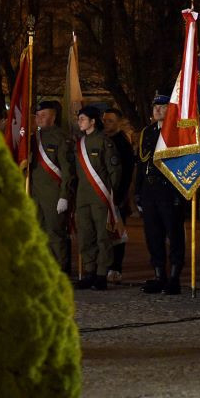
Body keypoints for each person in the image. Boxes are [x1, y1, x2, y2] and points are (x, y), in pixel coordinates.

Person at [136, 94, 186, 295]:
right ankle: (159, 275)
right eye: (155, 106)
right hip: (150, 190)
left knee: (174, 235)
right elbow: (141, 164)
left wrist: (180, 193)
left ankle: (174, 277)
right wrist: (138, 191)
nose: (157, 110)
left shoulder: (177, 132)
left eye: (162, 106)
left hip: (169, 189)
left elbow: (183, 164)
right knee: (153, 235)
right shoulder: (147, 132)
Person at [73, 106, 122, 290]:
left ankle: (101, 273)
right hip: (82, 196)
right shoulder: (79, 143)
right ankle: (89, 271)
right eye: (79, 119)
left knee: (103, 236)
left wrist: (110, 194)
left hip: (100, 196)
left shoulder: (104, 142)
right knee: (86, 236)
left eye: (83, 119)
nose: (80, 122)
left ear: (93, 121)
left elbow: (115, 171)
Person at [30, 100, 74, 273]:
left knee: (55, 233)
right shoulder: (33, 138)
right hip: (35, 194)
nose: (39, 119)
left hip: (54, 194)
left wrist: (64, 195)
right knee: (39, 232)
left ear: (53, 117)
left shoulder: (61, 138)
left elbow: (67, 170)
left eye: (43, 115)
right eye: (38, 116)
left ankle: (60, 270)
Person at [103, 107, 135, 283]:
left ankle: (116, 267)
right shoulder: (102, 139)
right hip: (102, 193)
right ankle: (105, 265)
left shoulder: (122, 142)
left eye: (110, 121)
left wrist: (121, 196)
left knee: (117, 232)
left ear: (118, 123)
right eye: (105, 120)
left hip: (117, 195)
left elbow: (128, 170)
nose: (106, 124)